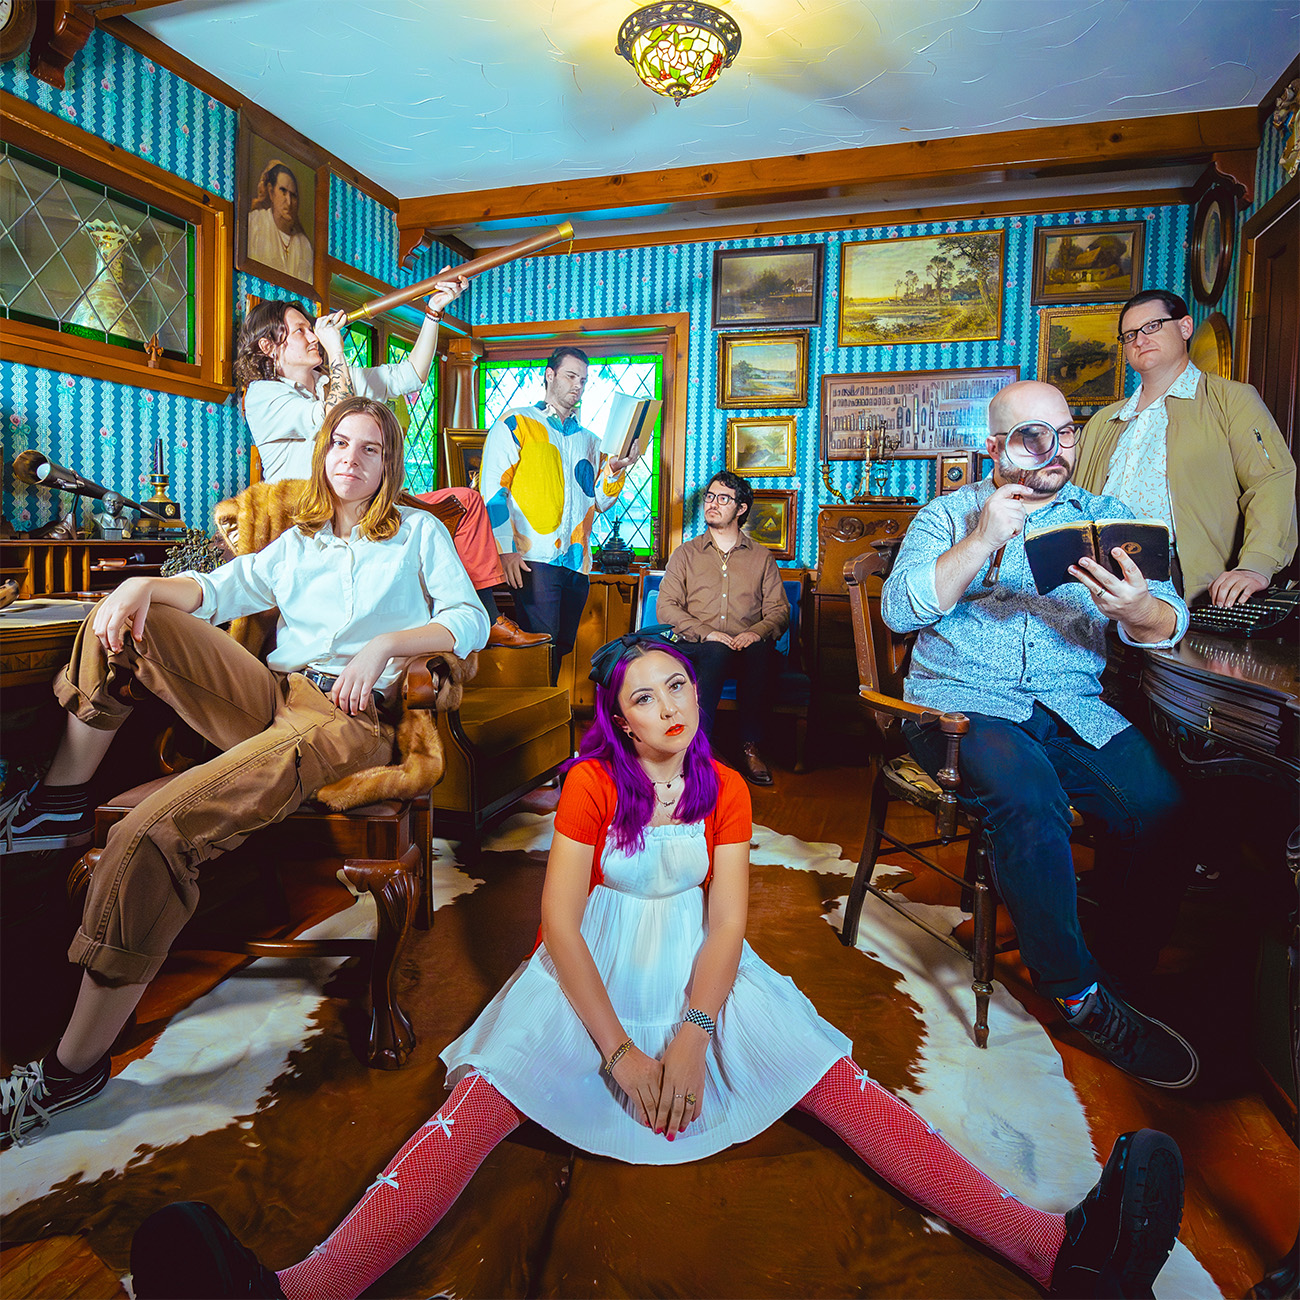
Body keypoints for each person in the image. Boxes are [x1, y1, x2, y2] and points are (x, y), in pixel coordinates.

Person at [128, 629, 1185, 1300]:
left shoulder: (727, 787)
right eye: (645, 697)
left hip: (700, 966)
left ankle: (1057, 1252)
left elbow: (726, 926)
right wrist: (620, 1054)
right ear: (618, 718)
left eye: (678, 684)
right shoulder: (593, 786)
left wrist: (691, 1034)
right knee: (469, 1109)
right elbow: (558, 925)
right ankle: (298, 1290)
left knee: (849, 1088)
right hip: (587, 962)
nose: (671, 706)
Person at [0, 397, 491, 1142]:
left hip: (347, 719)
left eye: (371, 449)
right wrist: (139, 587)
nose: (351, 459)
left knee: (153, 831)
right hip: (271, 694)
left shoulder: (418, 534)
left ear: (389, 464)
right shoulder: (298, 542)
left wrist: (385, 645)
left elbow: (469, 619)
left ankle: (70, 1071)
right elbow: (214, 592)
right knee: (125, 619)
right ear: (324, 452)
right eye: (341, 443)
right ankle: (58, 803)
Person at [881, 379, 1200, 1090]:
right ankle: (1078, 997)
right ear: (995, 447)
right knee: (1030, 800)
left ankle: (1117, 971)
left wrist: (1138, 610)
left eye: (1066, 432)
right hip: (962, 707)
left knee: (1165, 809)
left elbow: (1169, 618)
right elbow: (899, 610)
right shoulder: (948, 513)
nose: (1055, 450)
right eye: (1033, 436)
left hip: (1072, 705)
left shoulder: (1106, 518)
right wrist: (982, 539)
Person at [236, 296, 547, 650]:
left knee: (467, 502)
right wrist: (336, 350)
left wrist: (433, 312)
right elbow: (336, 421)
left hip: (360, 501)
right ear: (268, 346)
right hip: (308, 511)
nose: (312, 336)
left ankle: (487, 619)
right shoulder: (263, 395)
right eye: (300, 331)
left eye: (312, 329)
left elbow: (411, 374)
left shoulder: (332, 381)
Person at [1073, 288, 1296, 605]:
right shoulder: (1103, 421)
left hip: (1183, 581)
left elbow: (1271, 482)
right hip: (1094, 580)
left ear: (1185, 327)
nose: (1140, 340)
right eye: (1130, 335)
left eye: (1152, 326)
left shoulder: (1231, 400)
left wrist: (1256, 564)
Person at [480, 346, 640, 680]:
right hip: (532, 559)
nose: (578, 385)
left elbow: (601, 501)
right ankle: (539, 712)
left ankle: (545, 707)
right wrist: (506, 550)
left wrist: (616, 469)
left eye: (583, 380)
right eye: (570, 376)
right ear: (549, 375)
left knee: (561, 647)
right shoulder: (516, 423)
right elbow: (493, 492)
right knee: (541, 647)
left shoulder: (591, 441)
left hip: (577, 562)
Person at [657, 469, 788, 786]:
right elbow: (667, 607)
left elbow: (779, 610)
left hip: (745, 649)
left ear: (741, 508)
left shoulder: (761, 558)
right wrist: (708, 633)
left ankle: (750, 747)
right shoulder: (685, 554)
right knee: (716, 650)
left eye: (723, 499)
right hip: (696, 647)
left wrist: (755, 633)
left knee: (761, 651)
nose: (712, 503)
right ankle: (696, 749)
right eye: (710, 496)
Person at [246, 161, 313, 283]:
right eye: (283, 191)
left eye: (293, 195)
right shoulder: (254, 224)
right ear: (271, 192)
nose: (289, 201)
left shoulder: (304, 245)